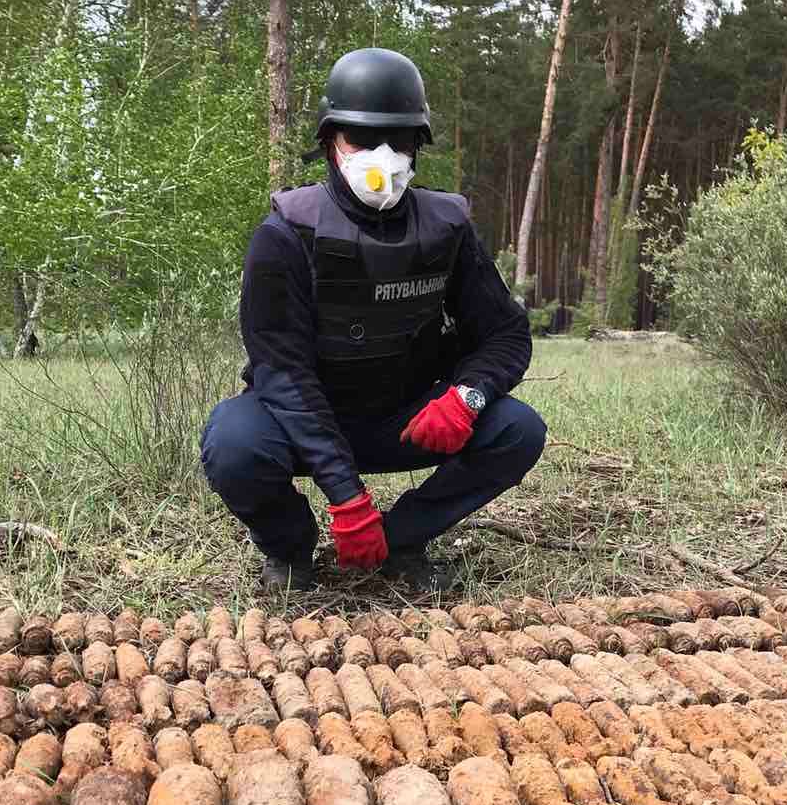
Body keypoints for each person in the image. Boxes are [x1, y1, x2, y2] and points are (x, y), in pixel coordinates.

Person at [200, 47, 545, 595]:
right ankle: (291, 550)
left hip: (404, 418)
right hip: (304, 422)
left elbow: (505, 333)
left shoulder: (446, 228)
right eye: (362, 139)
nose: (382, 156)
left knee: (518, 430)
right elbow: (281, 373)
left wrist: (467, 396)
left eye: (400, 139)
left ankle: (402, 538)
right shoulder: (286, 235)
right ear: (331, 141)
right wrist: (345, 494)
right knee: (233, 442)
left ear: (418, 146)